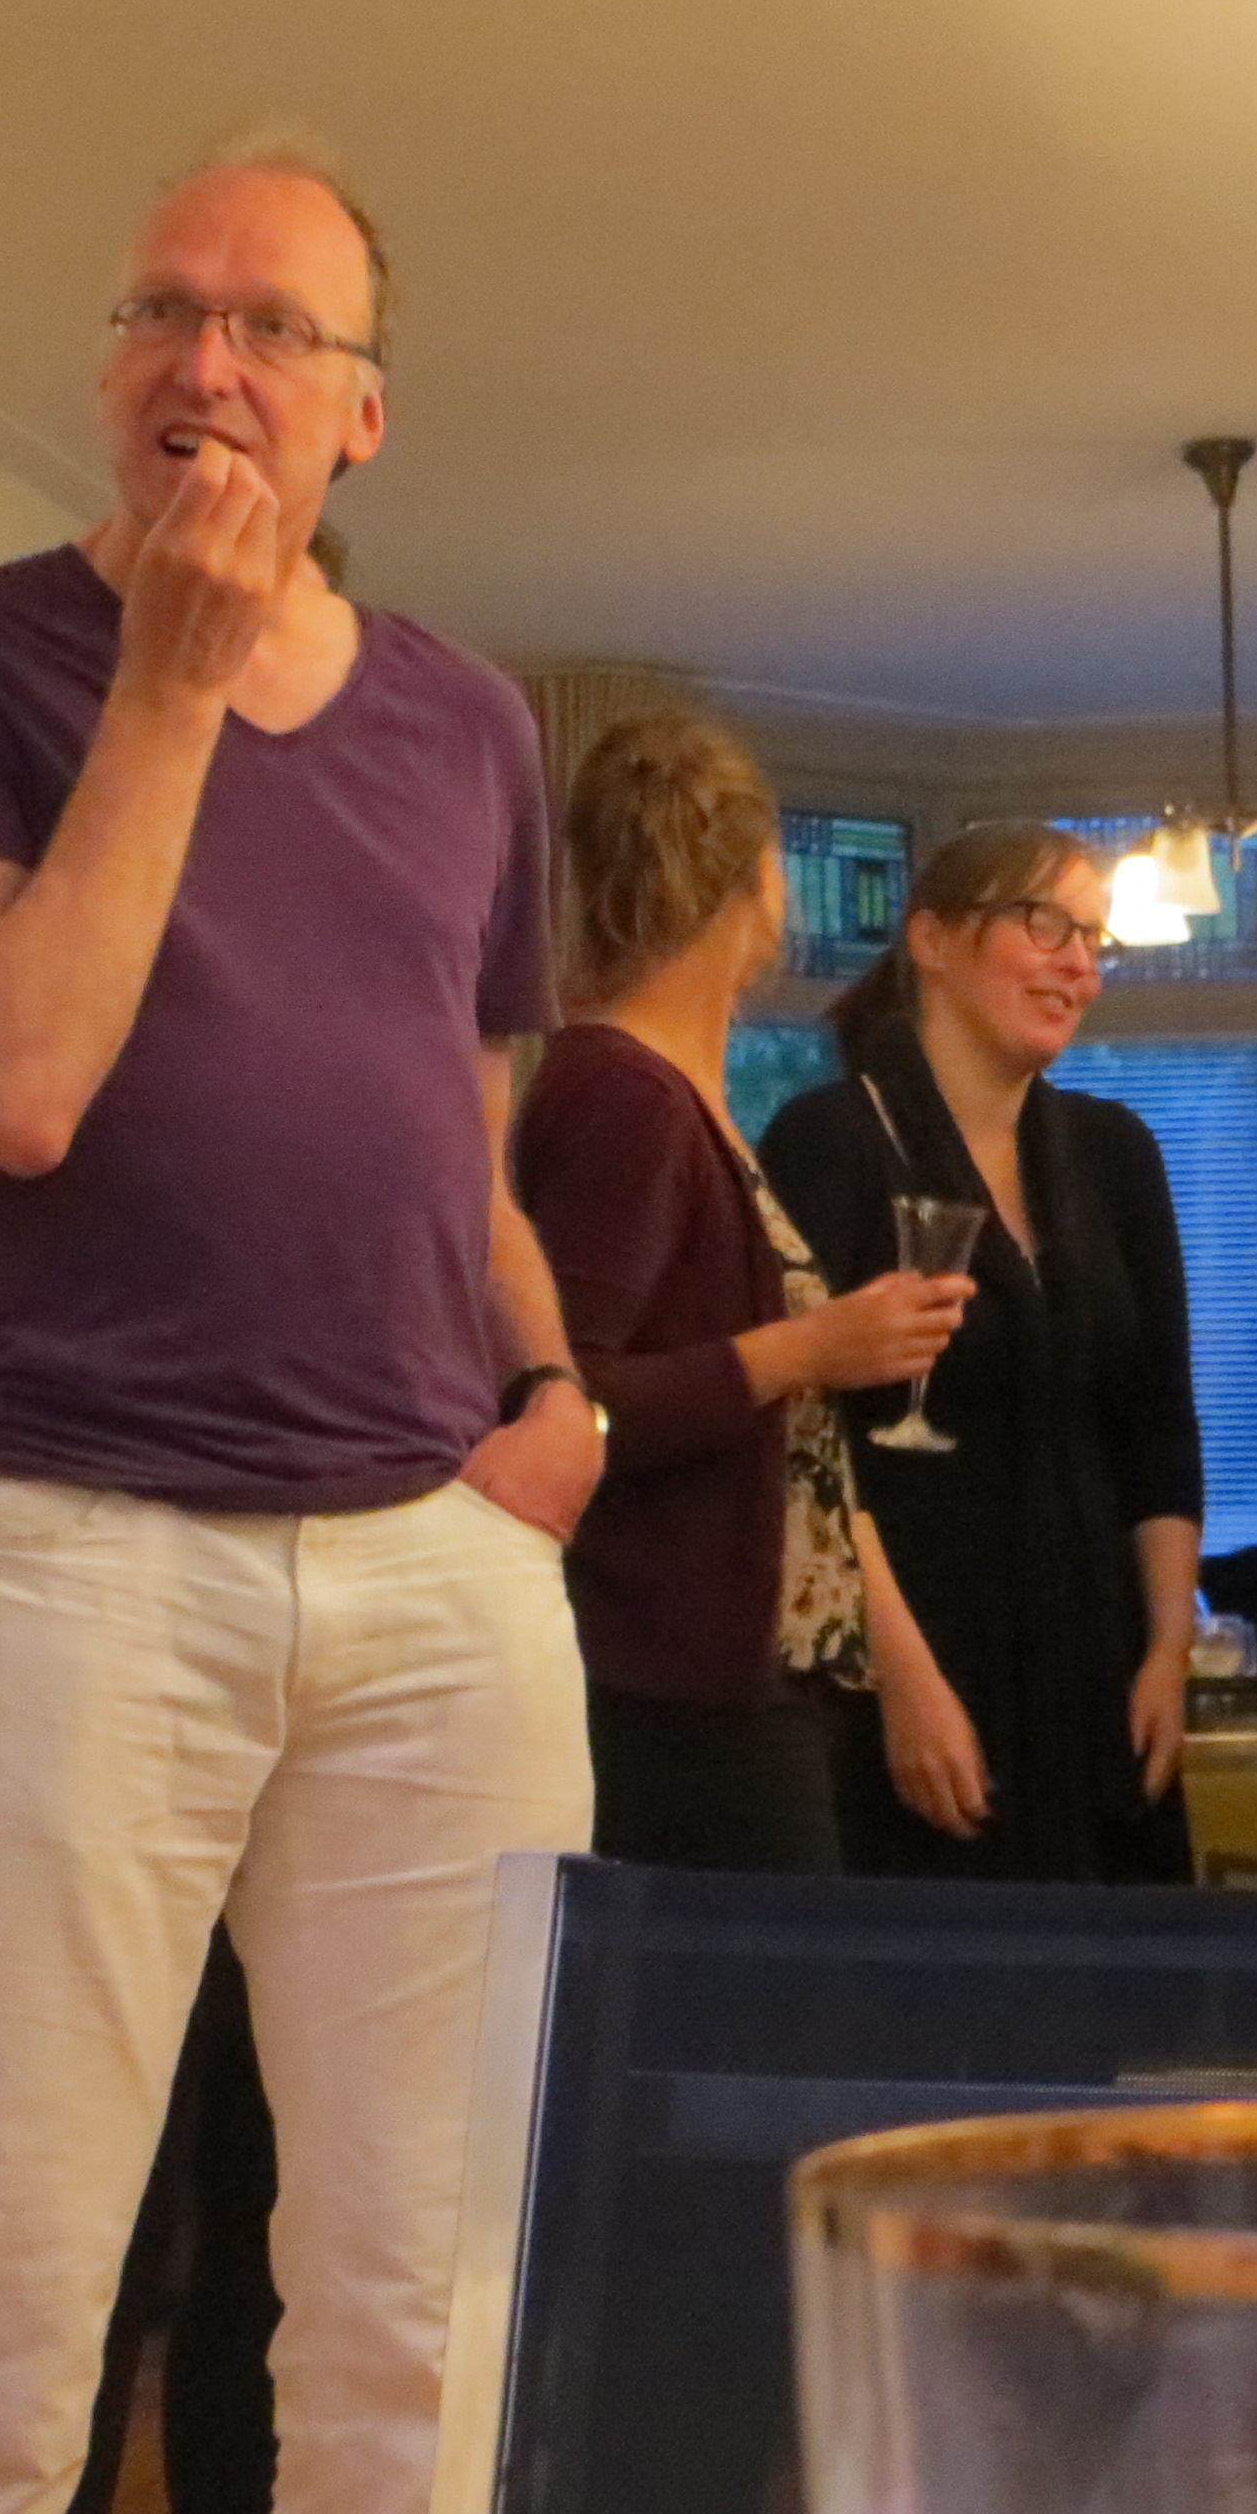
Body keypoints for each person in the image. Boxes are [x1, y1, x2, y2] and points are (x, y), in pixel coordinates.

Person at [0, 139, 597, 2514]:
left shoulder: (468, 722)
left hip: (433, 1558)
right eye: (162, 310)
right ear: (107, 369)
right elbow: (13, 1083)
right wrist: (167, 683)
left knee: (435, 2307)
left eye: (271, 326)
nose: (208, 360)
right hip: (79, 1545)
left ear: (364, 412)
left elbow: (459, 1135)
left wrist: (552, 1394)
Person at [0, 1095, 281, 2514]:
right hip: (85, 1639)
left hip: (316, 1657)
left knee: (270, 2208)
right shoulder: (34, 1026)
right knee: (69, 2214)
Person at [511, 710, 985, 1871]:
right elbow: (563, 1400)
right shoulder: (624, 1096)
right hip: (671, 1689)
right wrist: (808, 1350)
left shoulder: (678, 1095)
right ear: (754, 890)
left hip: (738, 1670)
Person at [761, 822, 1203, 1883]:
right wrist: (902, 1680)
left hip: (1097, 1654)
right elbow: (810, 1446)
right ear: (930, 940)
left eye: (1094, 939)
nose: (1078, 964)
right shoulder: (832, 1138)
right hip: (921, 1645)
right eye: (1043, 924)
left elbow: (1158, 1424)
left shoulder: (1114, 1152)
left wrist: (1167, 1654)